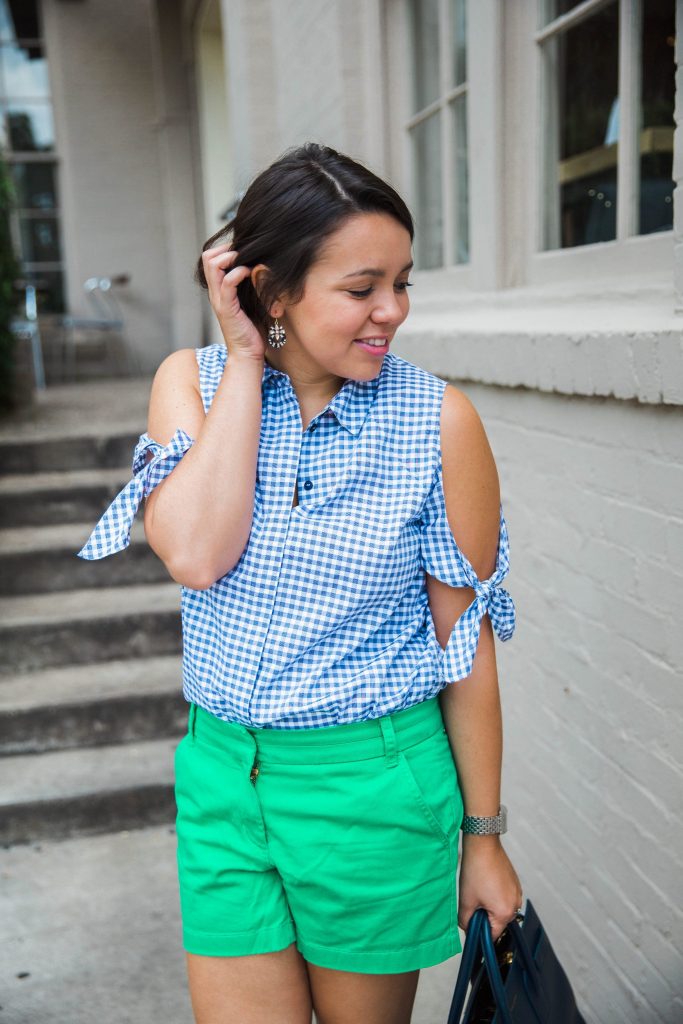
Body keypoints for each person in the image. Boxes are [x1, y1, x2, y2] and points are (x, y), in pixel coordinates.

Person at [78, 142, 523, 1024]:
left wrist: (483, 839)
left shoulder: (437, 419)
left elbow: (461, 648)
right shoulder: (190, 384)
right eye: (361, 288)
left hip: (373, 788)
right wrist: (245, 361)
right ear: (271, 290)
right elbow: (198, 555)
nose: (390, 311)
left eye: (402, 282)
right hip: (223, 777)